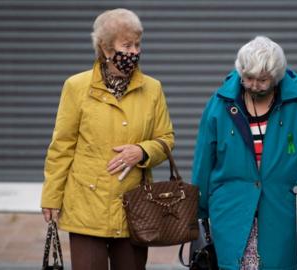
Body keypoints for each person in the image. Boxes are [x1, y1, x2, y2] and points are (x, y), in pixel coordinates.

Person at [40, 8, 174, 270]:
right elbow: (62, 147)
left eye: (137, 44)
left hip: (135, 209)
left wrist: (142, 151)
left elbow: (166, 138)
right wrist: (51, 197)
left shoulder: (152, 89)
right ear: (105, 48)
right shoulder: (77, 87)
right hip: (87, 208)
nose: (134, 51)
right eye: (127, 45)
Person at [192, 36, 297, 270]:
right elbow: (204, 159)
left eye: (262, 80)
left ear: (277, 76)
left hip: (283, 205)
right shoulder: (219, 104)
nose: (254, 85)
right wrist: (198, 210)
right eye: (248, 78)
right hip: (231, 207)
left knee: (281, 263)